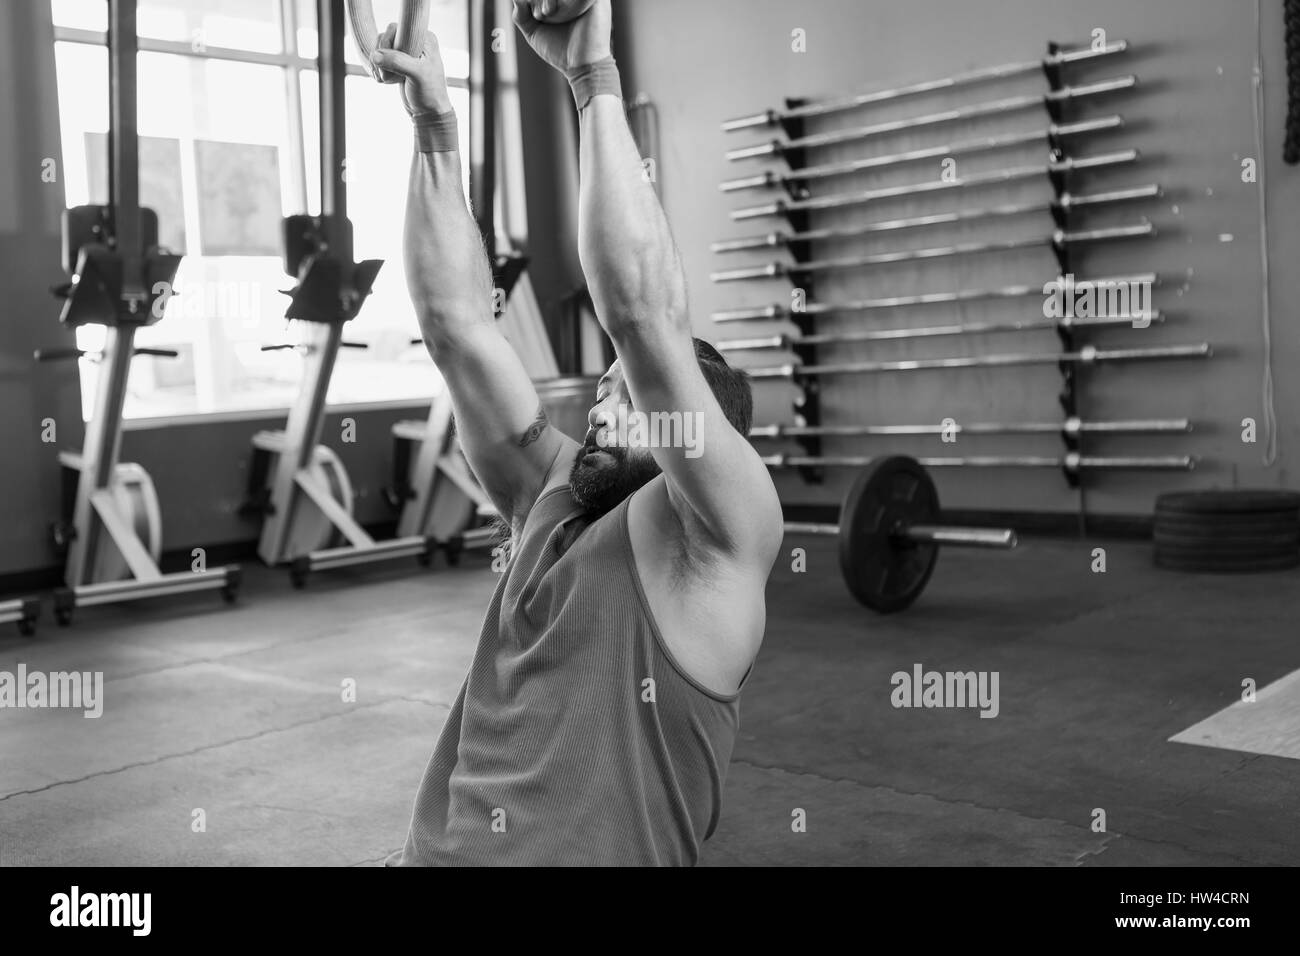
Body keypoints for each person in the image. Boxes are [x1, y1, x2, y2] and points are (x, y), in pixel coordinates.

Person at [374, 0, 782, 866]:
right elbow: (456, 327)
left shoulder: (716, 541)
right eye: (600, 392)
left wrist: (591, 76)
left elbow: (641, 318)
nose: (599, 408)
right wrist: (436, 128)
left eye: (626, 396)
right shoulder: (548, 497)